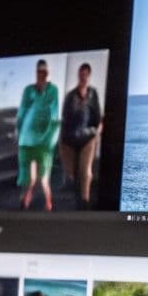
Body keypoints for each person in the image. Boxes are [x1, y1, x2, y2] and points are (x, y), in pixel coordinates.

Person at [58, 61, 105, 206]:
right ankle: (74, 190)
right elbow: (65, 117)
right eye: (81, 74)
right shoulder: (70, 95)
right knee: (72, 173)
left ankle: (85, 202)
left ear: (89, 75)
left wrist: (98, 129)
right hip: (70, 138)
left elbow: (98, 116)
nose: (82, 76)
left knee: (85, 171)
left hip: (88, 138)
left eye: (85, 74)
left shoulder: (93, 94)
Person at [17, 59, 61, 210]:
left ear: (47, 73)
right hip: (26, 142)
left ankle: (49, 208)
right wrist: (18, 135)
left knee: (44, 181)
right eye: (39, 71)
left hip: (44, 144)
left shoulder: (53, 90)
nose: (42, 74)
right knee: (28, 181)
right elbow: (21, 114)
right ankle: (22, 211)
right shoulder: (28, 90)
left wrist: (52, 141)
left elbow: (55, 116)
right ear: (36, 73)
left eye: (44, 72)